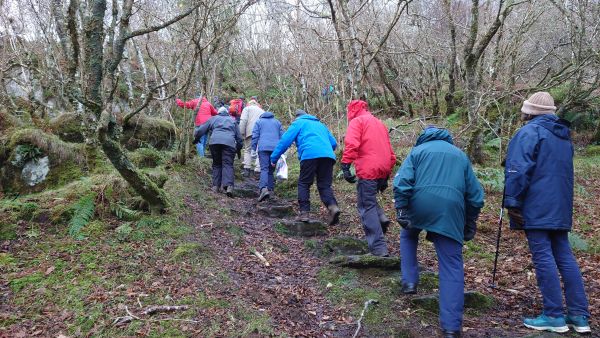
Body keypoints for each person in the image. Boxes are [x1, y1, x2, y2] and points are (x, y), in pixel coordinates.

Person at [504, 92, 590, 334]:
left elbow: (518, 170)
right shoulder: (563, 136)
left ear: (530, 112)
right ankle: (579, 315)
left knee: (543, 257)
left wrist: (512, 202)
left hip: (536, 205)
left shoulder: (529, 132)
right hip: (560, 205)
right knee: (564, 256)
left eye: (525, 109)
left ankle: (553, 315)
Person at [393, 126, 484, 338]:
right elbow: (475, 195)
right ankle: (451, 327)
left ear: (422, 138)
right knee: (451, 264)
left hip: (420, 203)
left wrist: (402, 208)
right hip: (450, 210)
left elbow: (402, 182)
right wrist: (469, 221)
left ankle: (409, 282)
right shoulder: (460, 155)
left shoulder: (417, 152)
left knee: (408, 234)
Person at [341, 100, 396, 257]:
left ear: (351, 111)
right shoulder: (379, 123)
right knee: (368, 199)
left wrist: (345, 165)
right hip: (383, 167)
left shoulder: (357, 122)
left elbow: (352, 144)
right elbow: (390, 151)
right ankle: (381, 217)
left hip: (368, 168)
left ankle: (378, 247)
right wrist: (387, 173)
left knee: (366, 206)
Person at [270, 109, 340, 225]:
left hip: (309, 155)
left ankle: (304, 213)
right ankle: (332, 206)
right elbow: (333, 143)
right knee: (324, 185)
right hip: (328, 156)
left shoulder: (298, 123)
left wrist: (273, 158)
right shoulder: (320, 124)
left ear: (297, 117)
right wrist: (323, 151)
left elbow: (285, 141)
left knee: (304, 183)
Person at [194, 106, 242, 197]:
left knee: (217, 164)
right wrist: (238, 148)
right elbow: (239, 138)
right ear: (227, 112)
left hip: (215, 142)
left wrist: (196, 139)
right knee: (227, 164)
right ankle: (228, 186)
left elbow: (201, 130)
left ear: (218, 112)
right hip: (229, 144)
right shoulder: (232, 120)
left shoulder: (213, 119)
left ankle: (216, 186)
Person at [251, 111, 283, 201]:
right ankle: (271, 190)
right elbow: (282, 136)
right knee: (271, 170)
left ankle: (263, 189)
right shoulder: (277, 122)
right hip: (275, 149)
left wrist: (253, 148)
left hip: (263, 148)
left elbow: (255, 136)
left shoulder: (259, 122)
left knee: (264, 169)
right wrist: (283, 150)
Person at [239, 99, 264, 177]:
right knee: (259, 150)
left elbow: (243, 120)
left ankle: (247, 169)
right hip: (260, 133)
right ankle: (258, 171)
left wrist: (241, 133)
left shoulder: (247, 109)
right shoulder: (262, 111)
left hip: (249, 132)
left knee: (248, 150)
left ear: (249, 104)